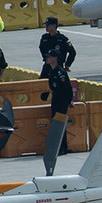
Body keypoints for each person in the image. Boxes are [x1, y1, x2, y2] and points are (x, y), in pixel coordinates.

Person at [40, 49, 78, 177]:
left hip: (61, 101)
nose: (47, 59)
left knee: (60, 124)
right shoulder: (52, 71)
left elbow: (67, 88)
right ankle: (60, 147)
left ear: (55, 58)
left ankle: (62, 148)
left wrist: (69, 101)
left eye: (49, 57)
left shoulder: (60, 72)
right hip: (56, 100)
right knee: (56, 123)